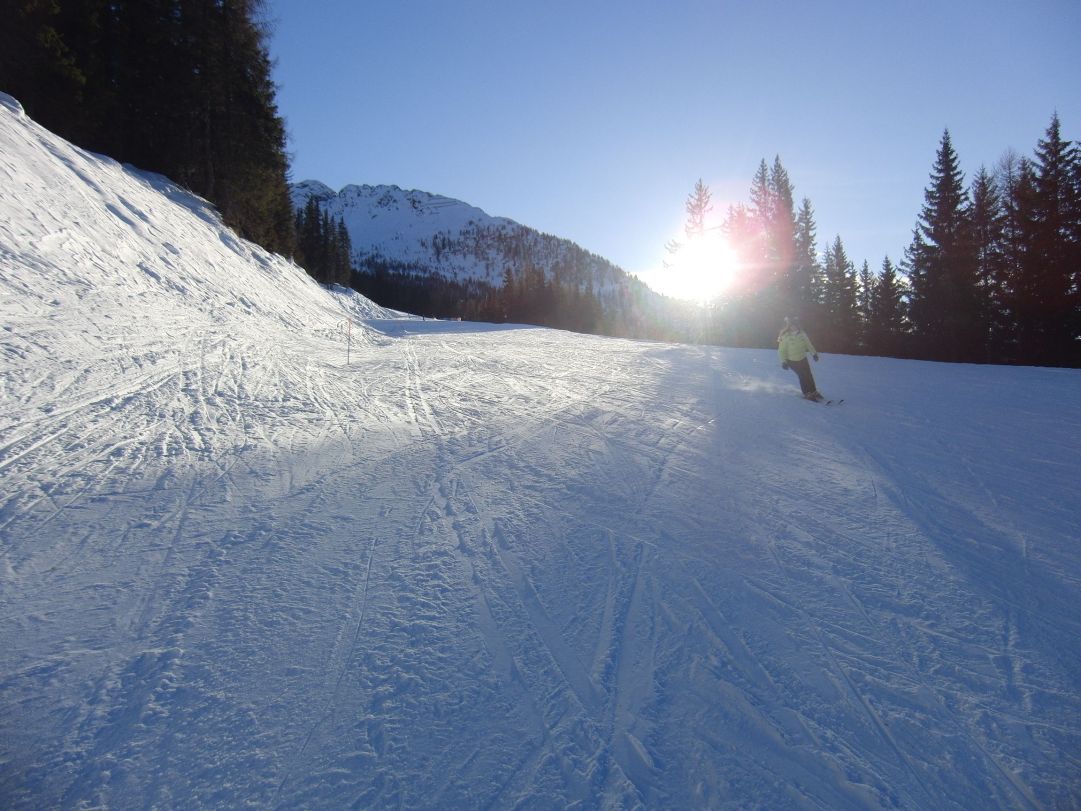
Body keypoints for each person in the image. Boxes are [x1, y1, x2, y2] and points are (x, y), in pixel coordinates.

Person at [778, 316, 823, 401]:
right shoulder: (785, 336)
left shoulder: (802, 334)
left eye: (795, 325)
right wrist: (784, 362)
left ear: (798, 325)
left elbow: (808, 345)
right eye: (791, 325)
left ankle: (813, 391)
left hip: (802, 358)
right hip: (792, 360)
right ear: (789, 326)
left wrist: (814, 354)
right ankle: (807, 393)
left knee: (809, 375)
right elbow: (781, 351)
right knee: (802, 375)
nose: (793, 327)